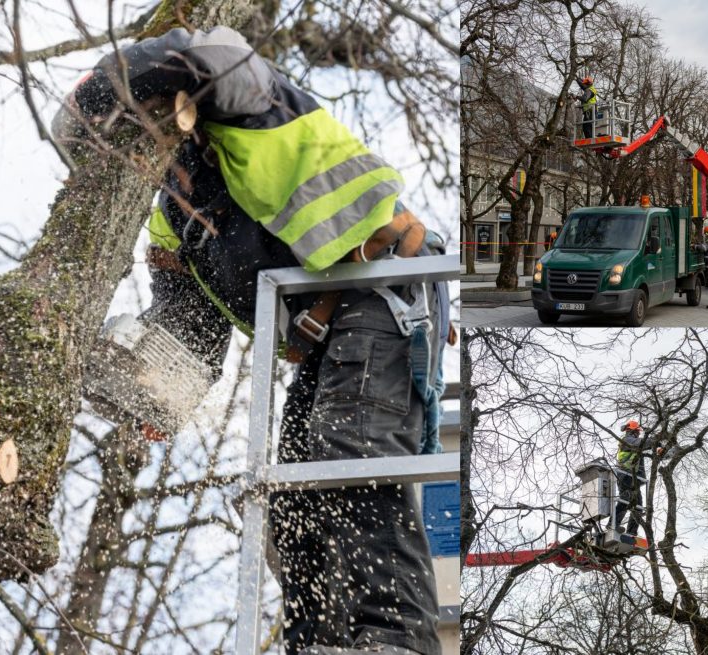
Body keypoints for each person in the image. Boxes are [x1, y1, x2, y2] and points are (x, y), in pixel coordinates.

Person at [55, 26, 448, 655]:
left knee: (349, 453)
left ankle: (394, 638)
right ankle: (320, 641)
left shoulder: (239, 103)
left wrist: (109, 85)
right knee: (291, 498)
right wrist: (139, 385)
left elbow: (217, 60)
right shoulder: (174, 215)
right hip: (322, 338)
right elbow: (188, 340)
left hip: (385, 287)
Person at [614, 420, 663, 537]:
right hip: (625, 476)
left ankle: (631, 532)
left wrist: (658, 446)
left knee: (638, 507)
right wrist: (655, 439)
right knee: (625, 500)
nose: (638, 434)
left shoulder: (635, 443)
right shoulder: (626, 440)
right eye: (637, 432)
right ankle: (613, 525)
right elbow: (641, 443)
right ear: (632, 431)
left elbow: (645, 445)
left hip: (633, 478)